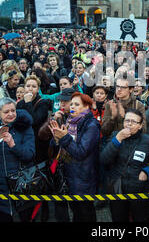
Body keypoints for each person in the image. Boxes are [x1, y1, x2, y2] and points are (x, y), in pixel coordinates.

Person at [100, 108, 149, 222]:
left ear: (140, 125)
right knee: (118, 218)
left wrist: (147, 171)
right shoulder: (115, 136)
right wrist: (118, 139)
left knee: (141, 218)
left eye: (134, 122)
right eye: (127, 120)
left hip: (140, 189)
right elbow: (104, 159)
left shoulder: (148, 140)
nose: (129, 124)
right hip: (118, 188)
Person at [47, 92, 100, 222]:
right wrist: (56, 139)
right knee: (76, 213)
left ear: (86, 107)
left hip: (84, 178)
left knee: (86, 214)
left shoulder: (91, 126)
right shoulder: (70, 120)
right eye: (72, 104)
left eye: (77, 104)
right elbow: (61, 147)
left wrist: (64, 137)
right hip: (70, 175)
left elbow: (80, 152)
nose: (72, 107)